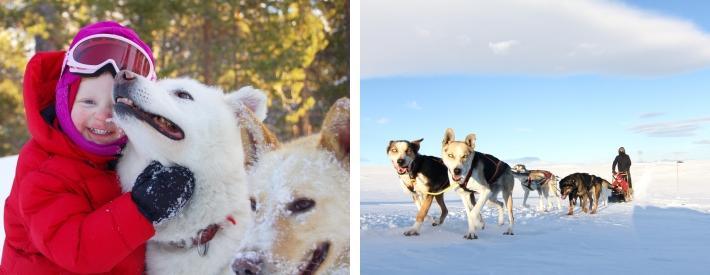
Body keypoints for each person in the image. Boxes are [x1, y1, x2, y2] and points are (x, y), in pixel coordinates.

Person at [1, 21, 194, 274]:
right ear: (65, 100)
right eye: (88, 102)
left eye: (116, 105)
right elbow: (79, 251)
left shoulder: (125, 156)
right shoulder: (43, 170)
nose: (102, 116)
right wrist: (143, 208)